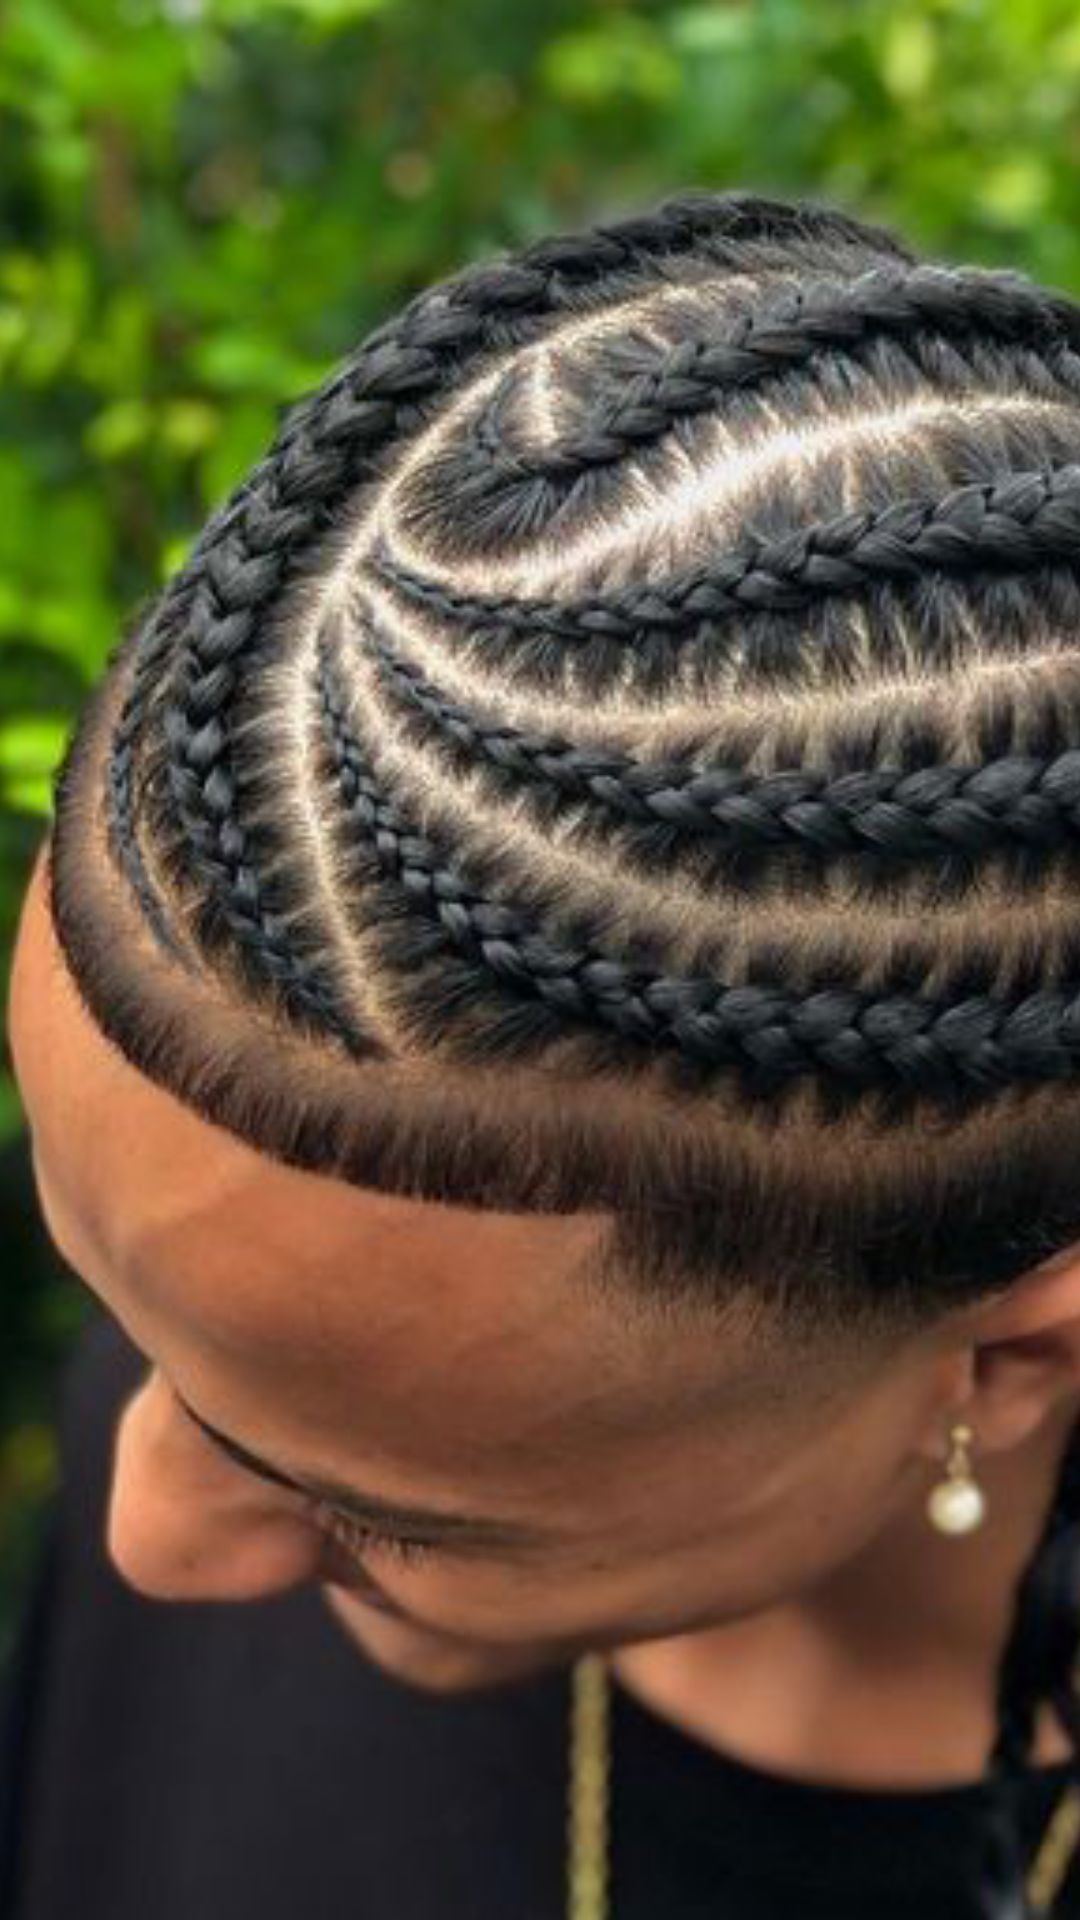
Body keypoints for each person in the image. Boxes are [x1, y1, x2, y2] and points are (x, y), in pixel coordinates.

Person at [6, 186, 1080, 1920]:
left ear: (1012, 1364)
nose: (148, 1532)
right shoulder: (267, 1375)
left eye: (381, 1518)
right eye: (122, 1321)